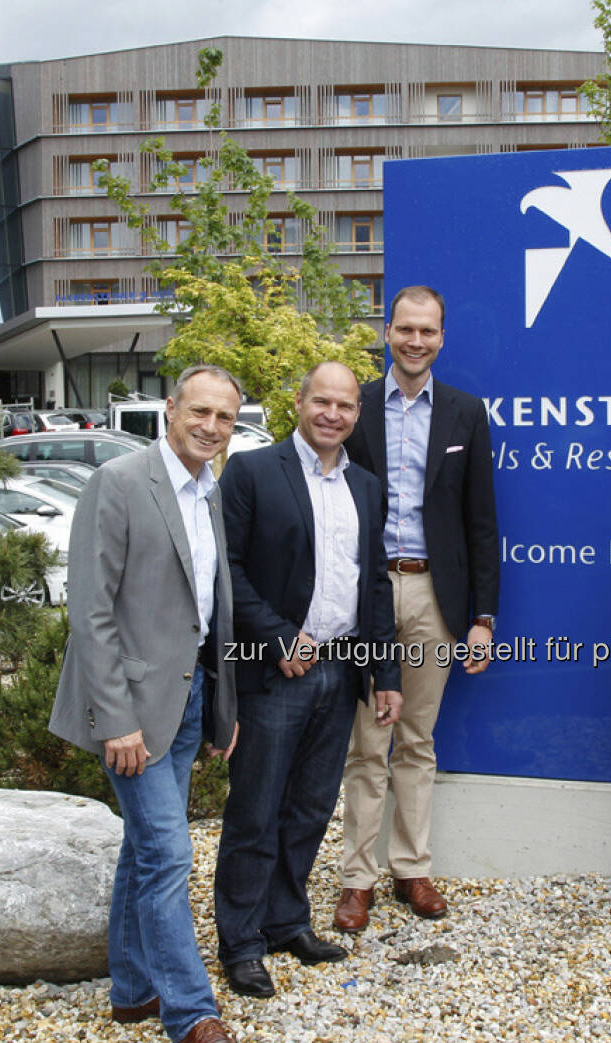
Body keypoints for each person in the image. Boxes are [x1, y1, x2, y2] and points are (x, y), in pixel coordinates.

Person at [49, 364, 246, 1043]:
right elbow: (91, 612)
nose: (211, 426)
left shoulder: (210, 491)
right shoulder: (122, 483)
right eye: (199, 411)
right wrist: (116, 720)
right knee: (167, 852)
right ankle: (193, 1016)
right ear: (170, 409)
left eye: (224, 417)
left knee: (143, 850)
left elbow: (209, 609)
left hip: (190, 700)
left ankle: (132, 989)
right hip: (131, 707)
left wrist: (223, 709)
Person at [214, 361, 403, 997]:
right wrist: (274, 636)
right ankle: (239, 942)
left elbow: (374, 583)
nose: (333, 414)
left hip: (342, 669)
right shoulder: (251, 472)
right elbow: (228, 569)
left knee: (310, 809)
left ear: (356, 414)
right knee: (255, 812)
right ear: (298, 403)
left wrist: (385, 672)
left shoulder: (368, 489)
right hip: (276, 674)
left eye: (345, 406)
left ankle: (285, 920)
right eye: (321, 401)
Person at [332, 285, 500, 934]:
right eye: (405, 329)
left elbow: (481, 522)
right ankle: (355, 881)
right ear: (387, 331)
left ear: (441, 337)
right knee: (367, 742)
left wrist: (483, 616)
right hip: (367, 594)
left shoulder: (466, 413)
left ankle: (412, 869)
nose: (415, 341)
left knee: (418, 739)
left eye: (427, 331)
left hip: (435, 595)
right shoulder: (358, 406)